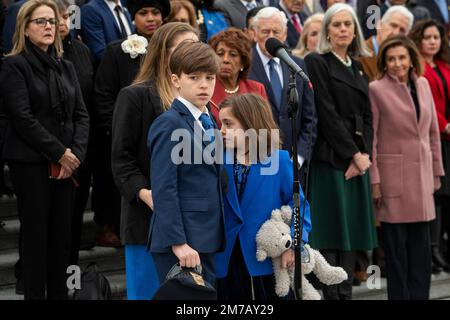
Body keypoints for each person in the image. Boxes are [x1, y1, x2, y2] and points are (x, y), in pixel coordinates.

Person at [0, 0, 89, 299]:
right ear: (25, 29)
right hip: (31, 164)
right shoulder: (14, 65)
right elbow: (22, 117)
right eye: (40, 21)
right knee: (36, 240)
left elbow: (81, 114)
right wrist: (58, 152)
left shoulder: (66, 66)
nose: (49, 26)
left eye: (52, 21)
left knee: (62, 240)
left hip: (67, 165)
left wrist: (73, 154)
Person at [111, 22, 198, 300]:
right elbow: (121, 160)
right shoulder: (134, 96)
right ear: (162, 53)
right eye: (183, 47)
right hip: (147, 220)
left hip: (192, 219)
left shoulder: (199, 99)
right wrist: (148, 195)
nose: (192, 53)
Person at [304, 3, 377, 300]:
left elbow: (369, 117)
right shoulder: (316, 61)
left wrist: (364, 156)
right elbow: (327, 113)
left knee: (351, 236)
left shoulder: (358, 66)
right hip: (331, 158)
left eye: (348, 24)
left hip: (356, 161)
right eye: (337, 25)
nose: (343, 29)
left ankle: (345, 294)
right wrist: (352, 154)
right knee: (331, 233)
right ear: (327, 31)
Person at [215, 93, 312, 300]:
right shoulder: (218, 161)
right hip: (227, 259)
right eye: (220, 124)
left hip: (269, 259)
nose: (221, 131)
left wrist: (294, 246)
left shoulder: (280, 160)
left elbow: (299, 207)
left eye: (228, 124)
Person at [369, 35, 444, 300]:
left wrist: (437, 171)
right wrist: (375, 181)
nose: (397, 63)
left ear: (412, 59)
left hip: (422, 179)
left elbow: (432, 132)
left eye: (402, 57)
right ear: (384, 62)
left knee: (421, 254)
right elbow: (373, 138)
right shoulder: (376, 89)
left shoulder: (423, 84)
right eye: (391, 59)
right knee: (397, 256)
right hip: (393, 181)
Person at [147, 40, 225, 292]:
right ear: (175, 80)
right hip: (181, 243)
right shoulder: (168, 123)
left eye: (210, 77)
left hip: (207, 238)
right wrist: (178, 242)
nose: (204, 85)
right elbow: (164, 188)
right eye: (194, 77)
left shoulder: (210, 120)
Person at [93, 0, 170, 247]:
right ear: (132, 17)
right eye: (143, 12)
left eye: (155, 12)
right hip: (123, 134)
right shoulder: (118, 51)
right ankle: (110, 227)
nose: (150, 18)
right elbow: (104, 94)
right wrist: (115, 128)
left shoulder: (169, 51)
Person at [249, 6, 317, 172]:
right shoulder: (246, 64)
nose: (271, 36)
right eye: (265, 31)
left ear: (285, 34)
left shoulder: (297, 65)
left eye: (276, 32)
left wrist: (299, 157)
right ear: (254, 33)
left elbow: (310, 117)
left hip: (293, 164)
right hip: (257, 160)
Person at [54, 0, 95, 266]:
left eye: (66, 17)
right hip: (49, 151)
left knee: (75, 214)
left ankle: (69, 274)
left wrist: (79, 149)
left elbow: (86, 104)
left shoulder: (81, 50)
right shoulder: (32, 56)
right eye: (54, 18)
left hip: (80, 148)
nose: (61, 23)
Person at [409, 20, 450, 273]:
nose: (433, 42)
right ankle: (432, 249)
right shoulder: (418, 69)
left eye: (436, 37)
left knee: (447, 198)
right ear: (419, 40)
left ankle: (442, 249)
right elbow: (428, 106)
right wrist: (445, 125)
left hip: (447, 138)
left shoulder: (445, 65)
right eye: (428, 38)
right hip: (436, 137)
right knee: (436, 195)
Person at [208, 28, 268, 126]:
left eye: (233, 54)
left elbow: (263, 127)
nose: (225, 59)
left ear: (243, 62)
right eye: (220, 54)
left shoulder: (257, 89)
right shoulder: (206, 89)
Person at [359, 5, 414, 82]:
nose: (396, 33)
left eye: (402, 30)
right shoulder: (359, 52)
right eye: (393, 25)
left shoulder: (408, 62)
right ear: (379, 25)